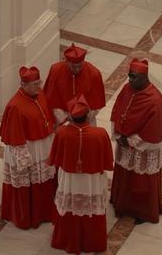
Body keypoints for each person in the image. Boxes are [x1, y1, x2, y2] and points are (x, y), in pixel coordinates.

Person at [48, 94, 114, 254]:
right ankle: (93, 242)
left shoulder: (62, 133)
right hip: (92, 181)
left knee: (70, 206)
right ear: (87, 114)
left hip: (70, 180)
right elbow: (107, 160)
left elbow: (55, 159)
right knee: (91, 206)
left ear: (70, 116)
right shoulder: (100, 134)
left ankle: (67, 239)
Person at [110, 58, 162, 224]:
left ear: (144, 77)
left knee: (141, 181)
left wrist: (129, 141)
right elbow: (117, 111)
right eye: (129, 76)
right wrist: (119, 135)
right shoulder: (127, 89)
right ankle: (122, 204)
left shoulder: (154, 100)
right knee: (125, 175)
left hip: (143, 147)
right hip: (126, 142)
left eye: (134, 77)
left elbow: (152, 131)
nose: (130, 80)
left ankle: (142, 212)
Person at [0, 66, 57, 229]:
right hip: (28, 149)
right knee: (29, 183)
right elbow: (15, 139)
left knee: (45, 181)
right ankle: (28, 217)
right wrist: (24, 160)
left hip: (43, 147)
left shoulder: (40, 94)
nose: (38, 87)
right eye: (34, 84)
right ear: (23, 85)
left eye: (39, 83)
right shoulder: (15, 106)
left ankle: (44, 212)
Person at [43, 44, 106, 126]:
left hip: (86, 119)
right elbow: (52, 101)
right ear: (67, 62)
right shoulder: (56, 71)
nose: (77, 69)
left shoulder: (94, 74)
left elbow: (95, 105)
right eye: (73, 66)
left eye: (80, 66)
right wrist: (65, 122)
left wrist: (82, 121)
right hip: (63, 118)